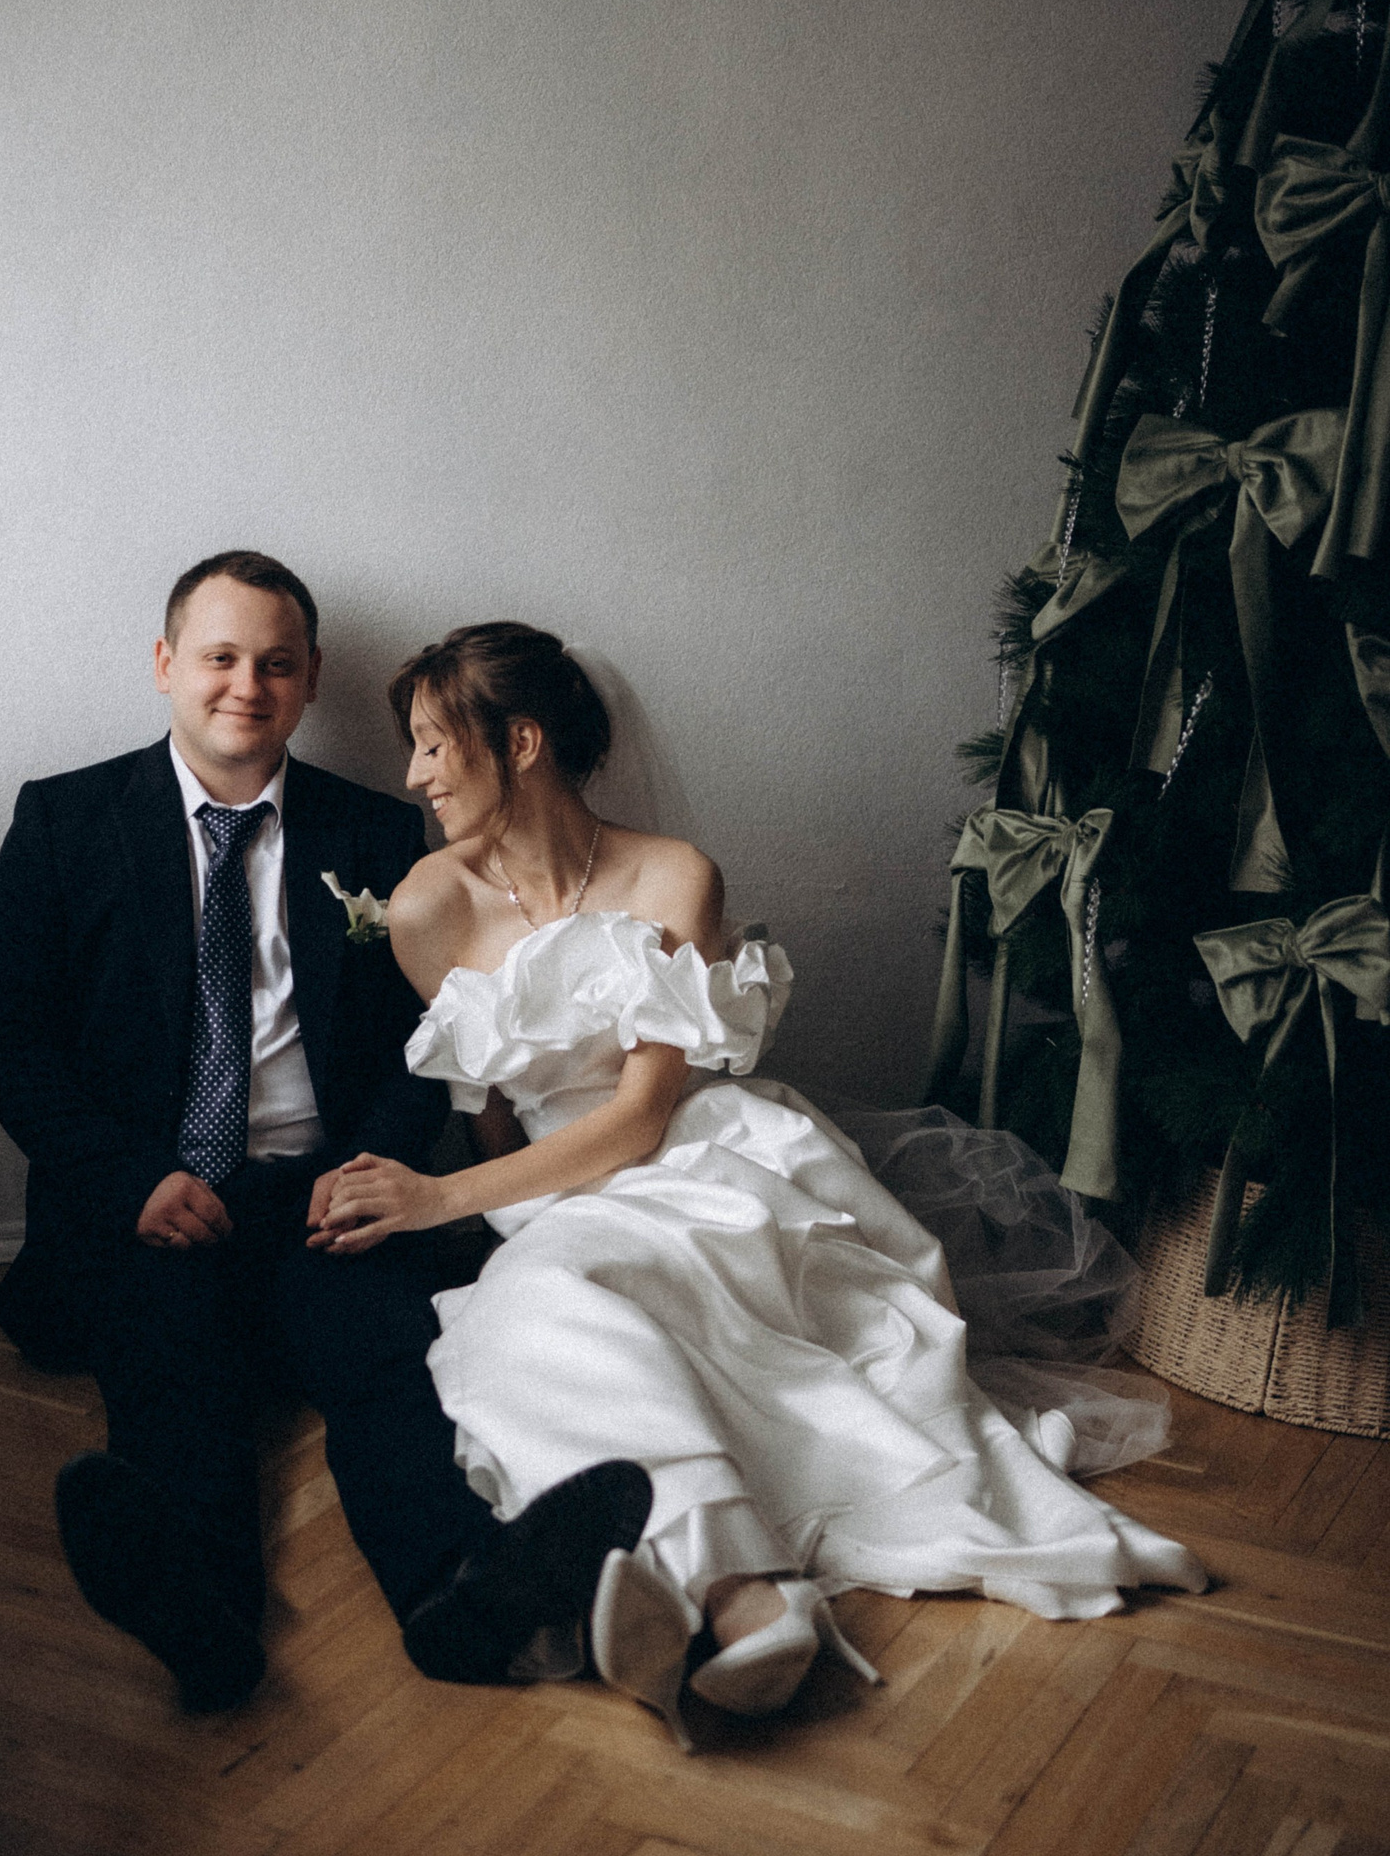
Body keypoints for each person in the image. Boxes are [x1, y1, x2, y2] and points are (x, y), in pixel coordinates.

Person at [308, 622, 1207, 1739]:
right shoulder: (425, 906)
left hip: (701, 1159)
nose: (414, 775)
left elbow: (641, 1113)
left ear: (521, 742)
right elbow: (490, 1116)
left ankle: (726, 1591)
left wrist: (437, 1200)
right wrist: (489, 1210)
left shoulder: (673, 875)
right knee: (519, 1312)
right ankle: (758, 1605)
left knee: (551, 1299)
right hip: (550, 1190)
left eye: (435, 745)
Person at [0, 557, 649, 1713]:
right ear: (166, 664)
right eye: (221, 658)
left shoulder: (377, 833)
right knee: (170, 1362)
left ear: (313, 678)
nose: (248, 686)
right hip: (154, 1196)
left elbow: (427, 1036)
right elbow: (8, 1037)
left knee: (386, 1359)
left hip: (320, 1189)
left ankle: (463, 1595)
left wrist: (371, 1169)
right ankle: (204, 1619)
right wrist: (131, 1179)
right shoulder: (66, 819)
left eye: (276, 663)